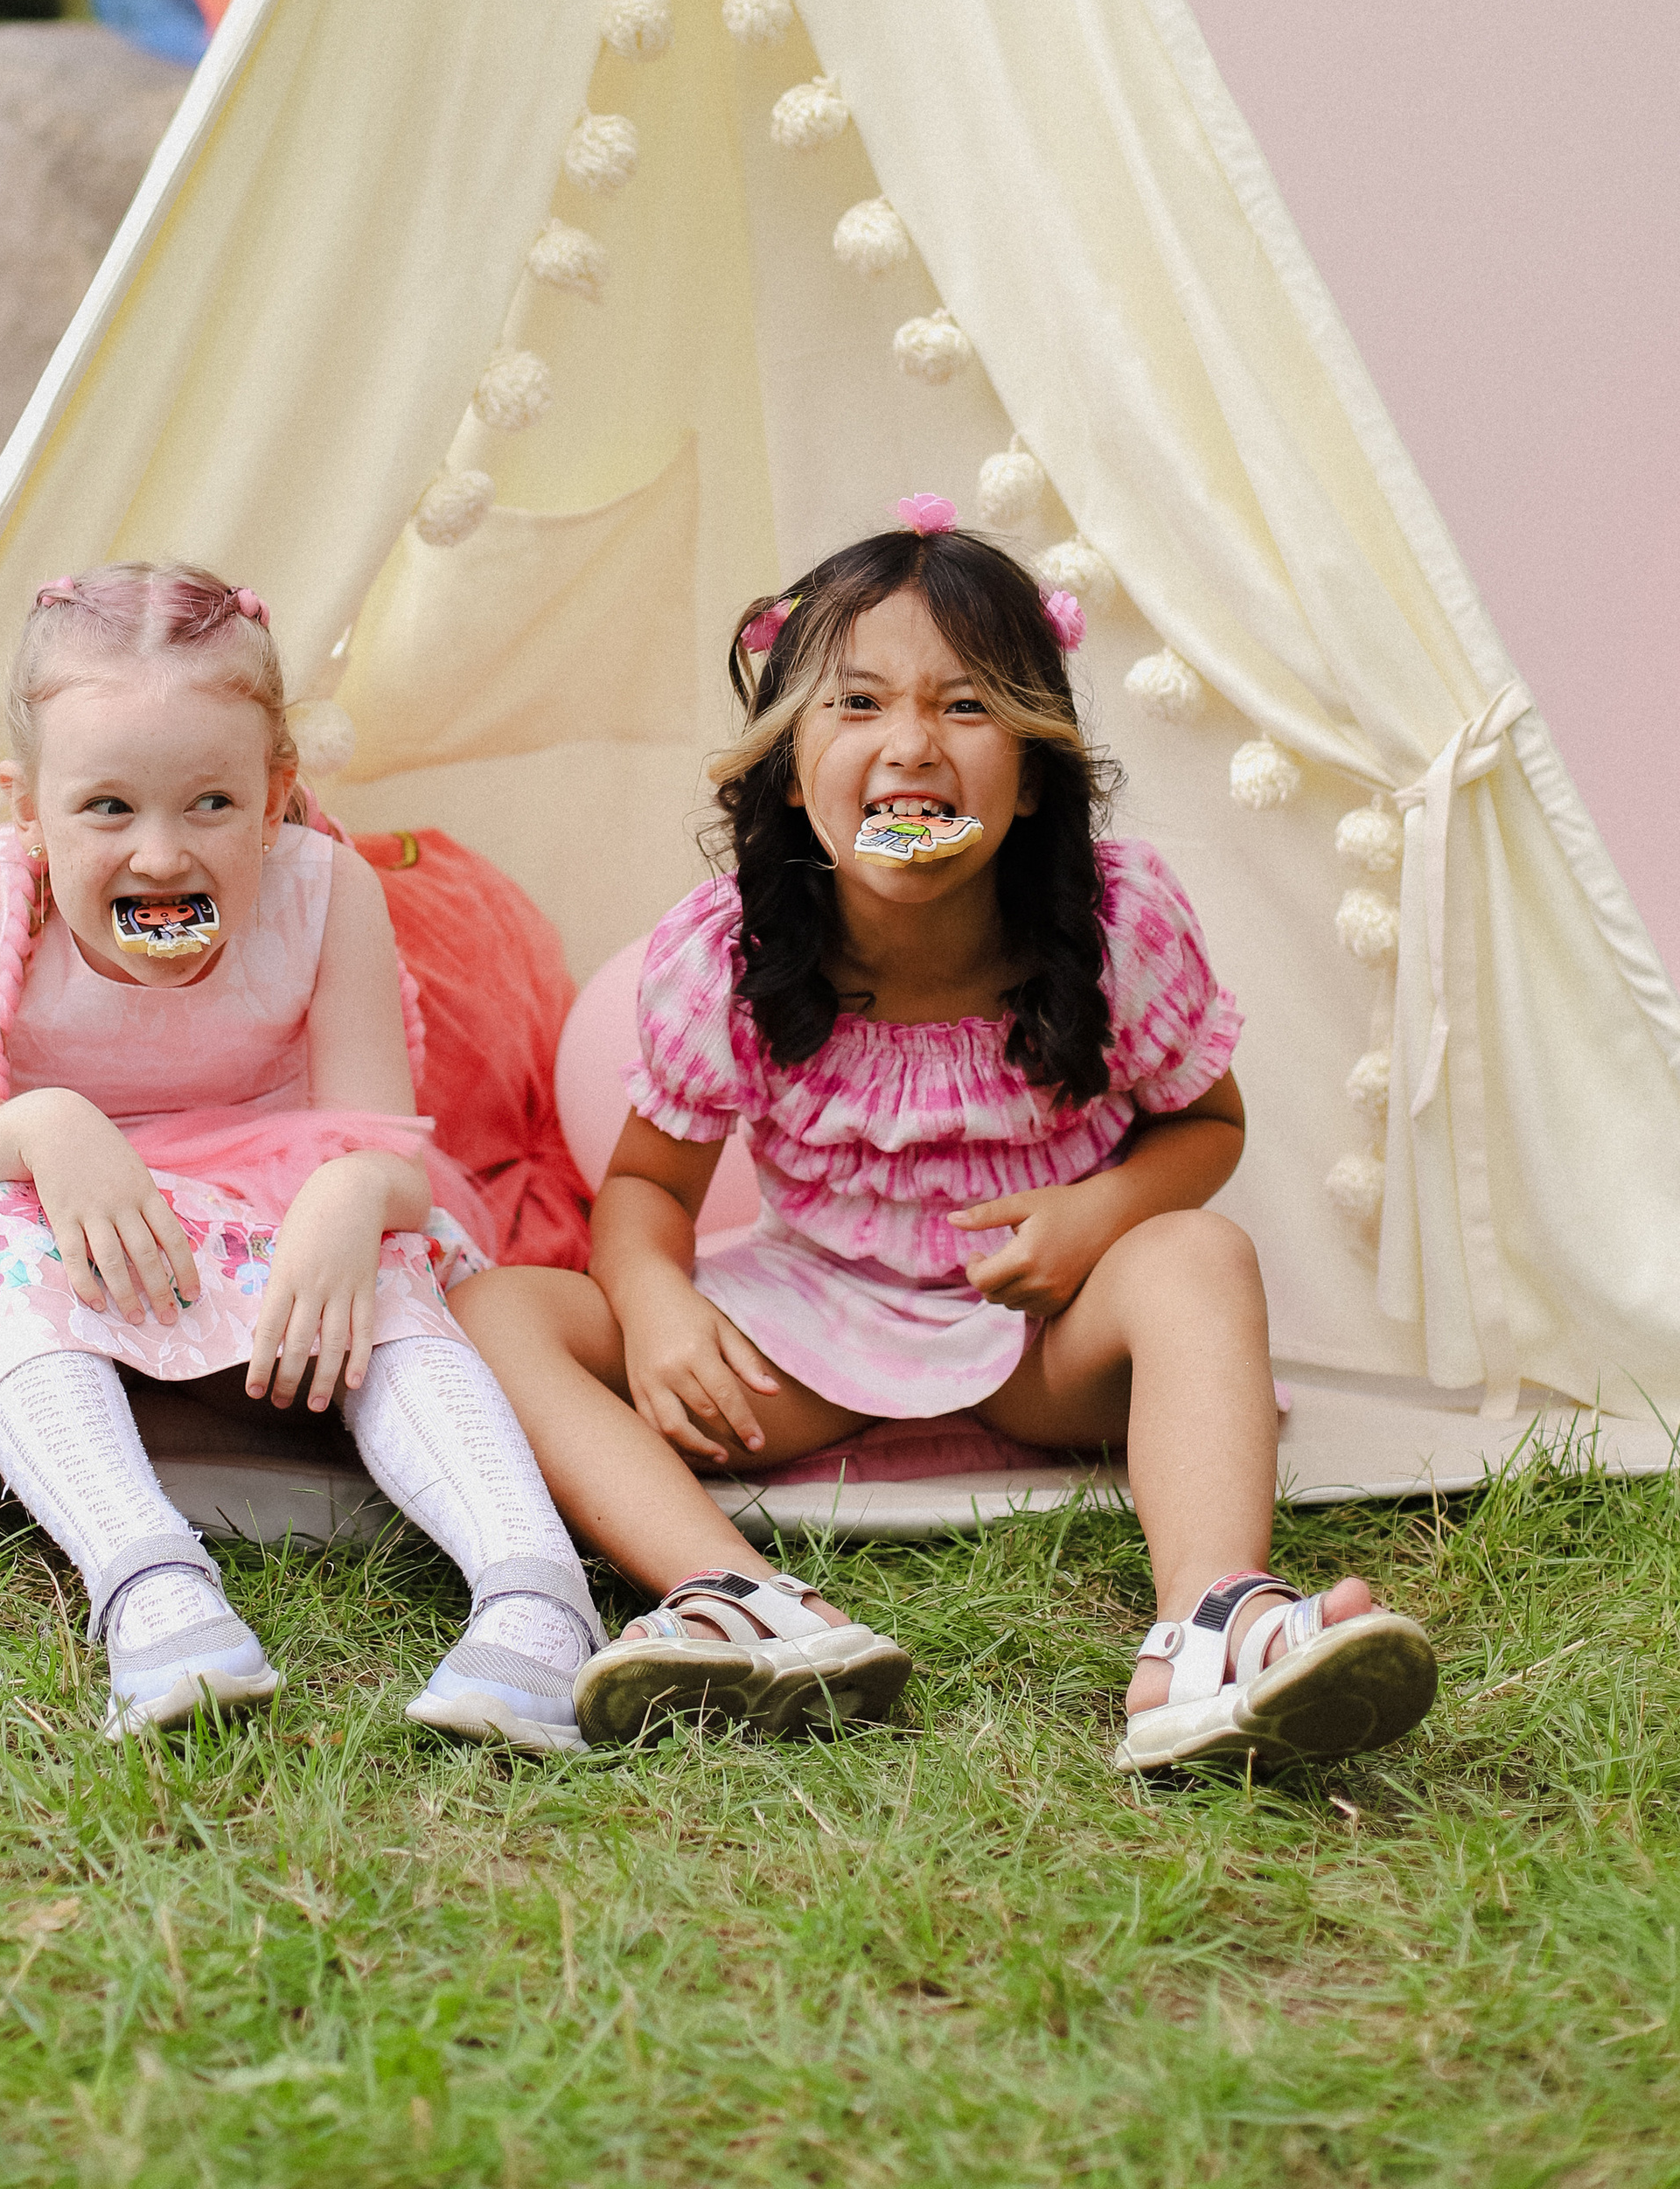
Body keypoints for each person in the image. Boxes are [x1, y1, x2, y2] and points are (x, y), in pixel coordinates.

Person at [453, 502, 1438, 1772]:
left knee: (1201, 1252)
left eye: (964, 708)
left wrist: (1098, 1214)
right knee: (496, 1311)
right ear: (789, 761)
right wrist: (650, 1303)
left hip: (1042, 1342)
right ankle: (742, 1603)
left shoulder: (1116, 923)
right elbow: (647, 1185)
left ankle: (1210, 1628)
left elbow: (1207, 1126)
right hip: (802, 1342)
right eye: (856, 705)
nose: (909, 748)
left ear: (1032, 773)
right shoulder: (731, 951)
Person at [0, 563, 598, 1749]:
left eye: (212, 806)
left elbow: (389, 1153)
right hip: (65, 1228)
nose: (161, 856)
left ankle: (538, 1595)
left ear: (279, 789)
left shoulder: (327, 892)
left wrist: (348, 1193)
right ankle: (151, 1585)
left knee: (387, 1259)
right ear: (27, 805)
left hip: (267, 1221)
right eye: (108, 810)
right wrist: (43, 1124)